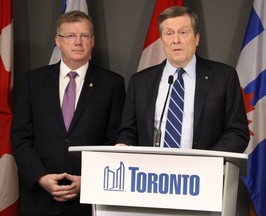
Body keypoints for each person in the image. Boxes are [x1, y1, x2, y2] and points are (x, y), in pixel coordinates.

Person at [11, 11, 125, 216]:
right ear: (58, 41)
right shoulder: (33, 81)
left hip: (88, 199)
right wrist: (40, 177)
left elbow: (115, 140)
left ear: (93, 41)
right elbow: (21, 137)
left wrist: (90, 179)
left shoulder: (112, 84)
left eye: (84, 36)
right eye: (71, 36)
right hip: (40, 199)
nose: (78, 42)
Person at [117, 6, 249, 152]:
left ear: (196, 38)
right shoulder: (140, 82)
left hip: (204, 171)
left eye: (183, 33)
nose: (176, 40)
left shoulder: (223, 77)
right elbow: (128, 132)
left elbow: (238, 133)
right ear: (162, 41)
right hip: (152, 171)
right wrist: (124, 145)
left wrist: (207, 161)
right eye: (169, 34)